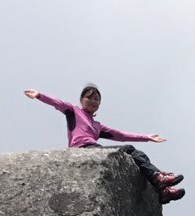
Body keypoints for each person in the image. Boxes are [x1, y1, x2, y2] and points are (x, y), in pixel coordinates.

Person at [24, 83, 185, 204]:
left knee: (137, 155)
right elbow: (57, 103)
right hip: (82, 150)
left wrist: (146, 137)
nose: (93, 101)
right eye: (90, 97)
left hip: (94, 149)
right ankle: (158, 177)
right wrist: (39, 95)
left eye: (97, 99)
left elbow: (120, 135)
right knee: (129, 150)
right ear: (82, 100)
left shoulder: (97, 126)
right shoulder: (73, 111)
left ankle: (162, 190)